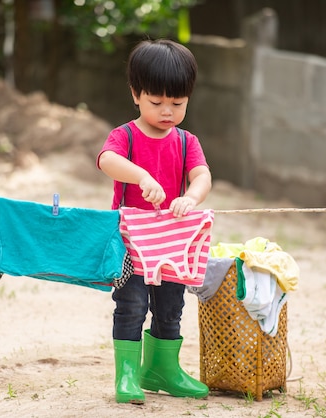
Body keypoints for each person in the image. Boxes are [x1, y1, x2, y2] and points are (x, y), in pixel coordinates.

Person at [96, 38, 212, 404]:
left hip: (172, 242)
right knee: (131, 304)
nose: (167, 111)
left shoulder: (186, 141)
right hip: (131, 244)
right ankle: (128, 374)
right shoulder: (126, 136)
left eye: (177, 104)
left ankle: (162, 368)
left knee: (170, 304)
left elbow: (203, 176)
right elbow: (106, 160)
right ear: (136, 94)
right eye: (156, 102)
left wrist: (190, 198)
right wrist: (141, 177)